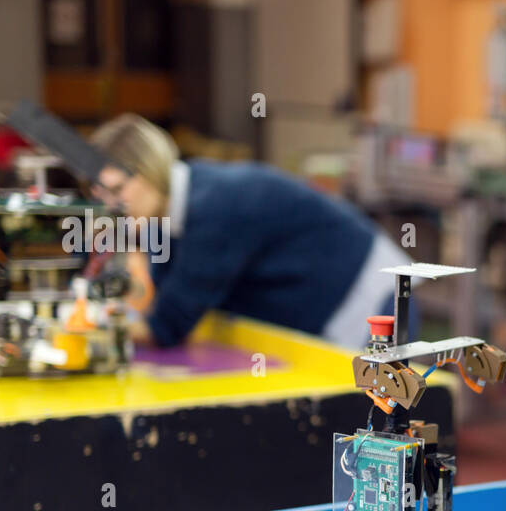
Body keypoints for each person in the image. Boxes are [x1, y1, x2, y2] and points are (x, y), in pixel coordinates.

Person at [87, 114, 409, 348]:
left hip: (371, 295)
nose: (112, 205)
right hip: (325, 312)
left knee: (381, 427)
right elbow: (165, 298)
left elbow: (168, 325)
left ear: (149, 170)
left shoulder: (215, 208)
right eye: (102, 195)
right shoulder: (170, 214)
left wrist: (88, 327)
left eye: (117, 190)